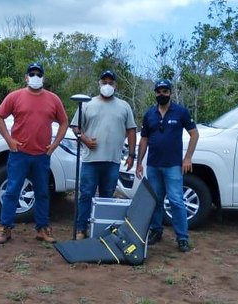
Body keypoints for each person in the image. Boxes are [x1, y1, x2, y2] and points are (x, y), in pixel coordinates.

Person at [0, 62, 69, 244]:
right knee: (12, 191)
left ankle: (42, 228)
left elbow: (64, 122)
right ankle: (5, 228)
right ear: (26, 77)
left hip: (42, 156)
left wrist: (54, 145)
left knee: (42, 192)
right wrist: (9, 140)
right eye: (32, 74)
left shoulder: (53, 99)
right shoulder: (15, 96)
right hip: (19, 154)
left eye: (38, 74)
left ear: (43, 77)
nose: (35, 77)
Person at [71, 70, 137, 240]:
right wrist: (85, 140)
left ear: (115, 85)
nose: (107, 85)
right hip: (91, 160)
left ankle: (102, 230)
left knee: (107, 197)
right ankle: (81, 228)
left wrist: (131, 154)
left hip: (112, 161)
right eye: (104, 82)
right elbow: (76, 127)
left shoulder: (124, 106)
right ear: (98, 83)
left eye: (110, 82)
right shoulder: (87, 104)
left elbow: (131, 129)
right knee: (86, 194)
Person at [136, 79, 199, 253]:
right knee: (155, 201)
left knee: (176, 201)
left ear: (170, 92)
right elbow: (144, 139)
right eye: (159, 91)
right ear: (155, 93)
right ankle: (156, 231)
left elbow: (194, 134)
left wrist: (188, 158)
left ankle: (182, 238)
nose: (161, 94)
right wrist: (139, 162)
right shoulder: (149, 114)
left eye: (165, 91)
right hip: (153, 165)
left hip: (173, 166)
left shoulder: (181, 112)